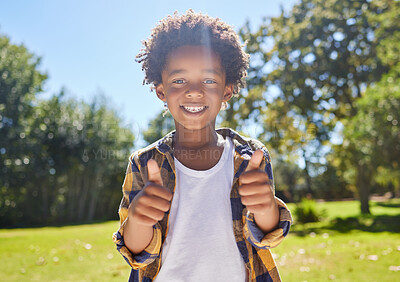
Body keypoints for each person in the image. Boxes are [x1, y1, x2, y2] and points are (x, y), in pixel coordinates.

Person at [113, 10, 293, 282]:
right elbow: (138, 253)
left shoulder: (250, 157)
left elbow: (266, 236)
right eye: (179, 80)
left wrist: (266, 206)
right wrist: (138, 220)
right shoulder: (144, 162)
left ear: (226, 91)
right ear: (161, 90)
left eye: (209, 80)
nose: (194, 90)